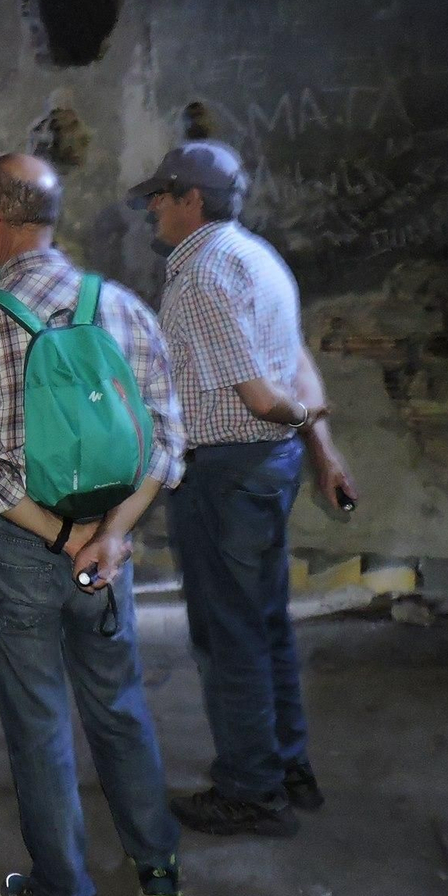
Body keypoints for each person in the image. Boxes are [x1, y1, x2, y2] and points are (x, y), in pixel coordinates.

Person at [0, 154, 186, 896]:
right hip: (105, 553)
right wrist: (110, 535)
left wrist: (62, 535)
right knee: (118, 700)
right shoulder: (117, 306)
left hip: (19, 550)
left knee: (39, 723)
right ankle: (157, 865)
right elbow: (166, 444)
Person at [127, 137, 357, 838]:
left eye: (161, 198)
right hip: (266, 471)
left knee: (227, 638)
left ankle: (250, 791)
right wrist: (319, 448)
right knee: (261, 625)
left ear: (192, 201)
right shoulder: (259, 258)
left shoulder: (200, 275)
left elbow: (265, 395)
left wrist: (304, 418)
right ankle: (287, 768)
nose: (154, 211)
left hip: (226, 473)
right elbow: (295, 360)